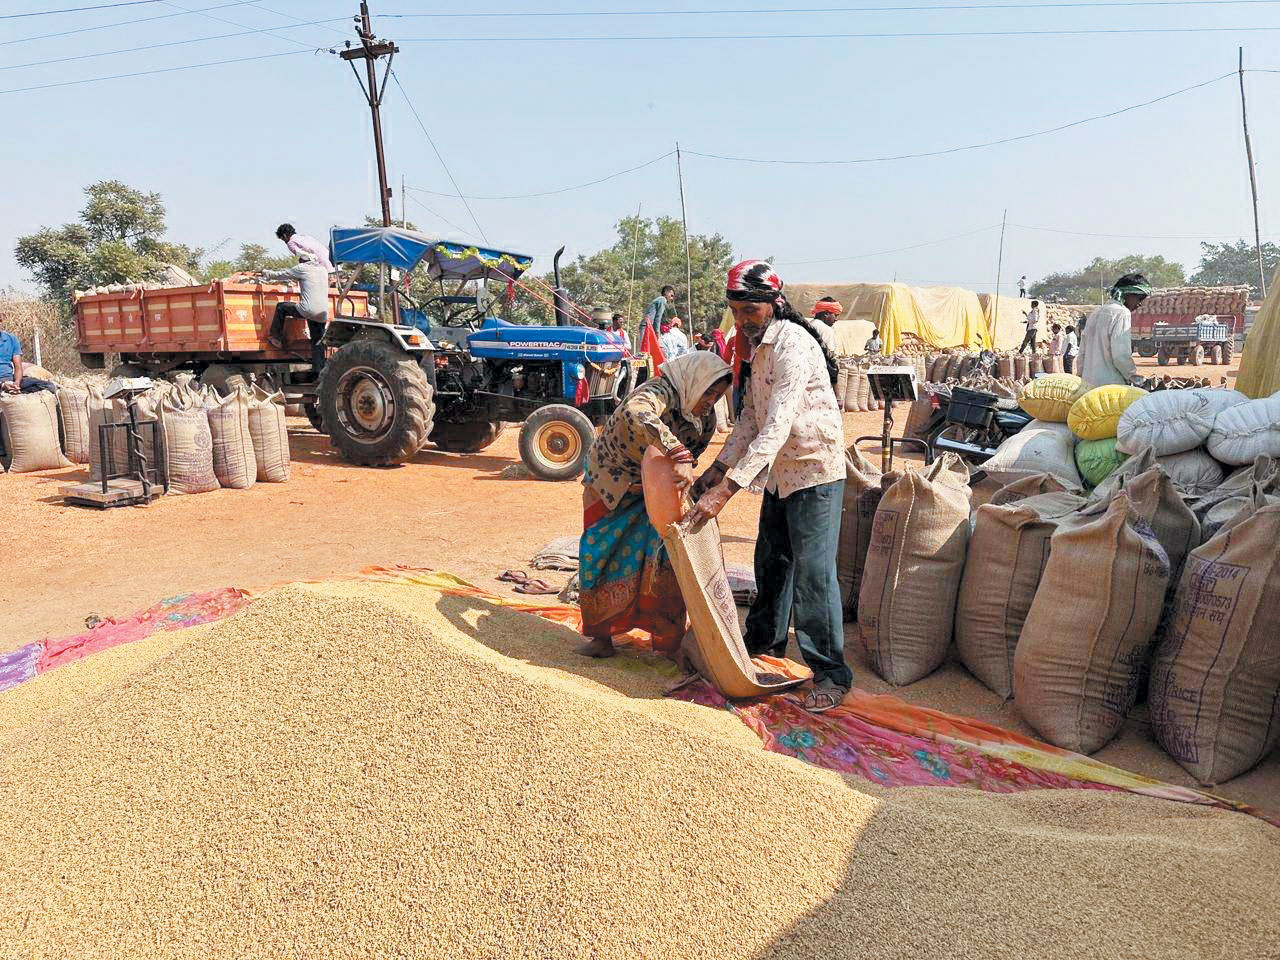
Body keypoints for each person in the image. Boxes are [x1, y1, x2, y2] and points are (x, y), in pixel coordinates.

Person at [689, 260, 851, 714]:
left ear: (773, 303)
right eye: (736, 311)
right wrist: (714, 472)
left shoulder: (793, 344)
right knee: (772, 562)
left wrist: (727, 491)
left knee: (814, 577)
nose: (741, 320)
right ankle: (764, 648)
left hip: (814, 471)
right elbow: (749, 422)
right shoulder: (758, 347)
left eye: (749, 311)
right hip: (781, 474)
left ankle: (832, 673)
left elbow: (776, 427)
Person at [577, 352, 734, 659]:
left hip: (658, 490)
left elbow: (691, 456)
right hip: (614, 485)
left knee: (667, 562)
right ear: (694, 382)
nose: (710, 401)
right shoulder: (660, 391)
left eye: (718, 396)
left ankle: (666, 641)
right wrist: (677, 452)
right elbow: (636, 411)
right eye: (708, 392)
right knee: (602, 555)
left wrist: (686, 476)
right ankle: (601, 637)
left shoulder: (706, 419)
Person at [262, 253, 331, 370]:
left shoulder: (302, 268)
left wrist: (265, 273)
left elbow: (281, 275)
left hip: (307, 310)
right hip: (323, 313)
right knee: (317, 343)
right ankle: (320, 373)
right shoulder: (323, 270)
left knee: (281, 307)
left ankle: (275, 337)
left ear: (301, 261)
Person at [1078, 274, 1149, 386]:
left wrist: (1081, 378)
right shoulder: (1122, 313)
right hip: (1111, 386)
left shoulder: (1096, 312)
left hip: (1088, 385)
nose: (1139, 304)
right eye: (1139, 298)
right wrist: (1134, 377)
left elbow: (1082, 353)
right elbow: (1120, 355)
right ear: (1127, 293)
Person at [0, 323, 56, 395]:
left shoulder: (11, 339)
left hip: (9, 379)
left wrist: (16, 383)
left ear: (1, 322)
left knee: (49, 386)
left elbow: (18, 367)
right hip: (2, 383)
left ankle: (14, 392)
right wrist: (3, 385)